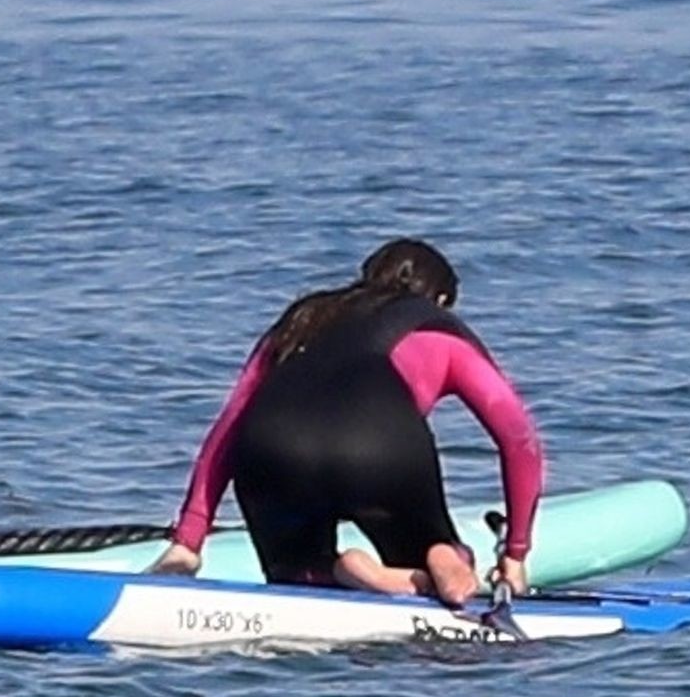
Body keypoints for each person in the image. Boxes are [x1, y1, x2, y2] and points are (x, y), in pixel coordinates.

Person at [147, 239, 542, 606]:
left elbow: (230, 423)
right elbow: (517, 437)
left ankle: (335, 573)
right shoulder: (436, 326)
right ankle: (439, 557)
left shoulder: (302, 318)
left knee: (295, 578)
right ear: (440, 300)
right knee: (433, 555)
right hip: (374, 447)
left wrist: (188, 542)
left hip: (271, 448)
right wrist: (515, 554)